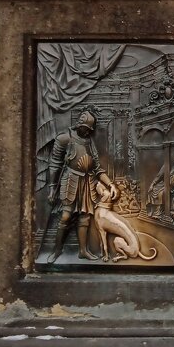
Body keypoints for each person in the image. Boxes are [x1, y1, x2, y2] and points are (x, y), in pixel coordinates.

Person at [46, 110, 115, 262]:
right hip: (70, 179)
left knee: (85, 218)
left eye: (90, 130)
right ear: (80, 126)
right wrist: (51, 189)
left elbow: (97, 168)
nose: (88, 132)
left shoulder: (89, 142)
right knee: (65, 216)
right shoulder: (65, 138)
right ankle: (56, 250)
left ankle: (83, 251)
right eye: (86, 129)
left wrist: (110, 184)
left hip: (86, 182)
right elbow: (55, 164)